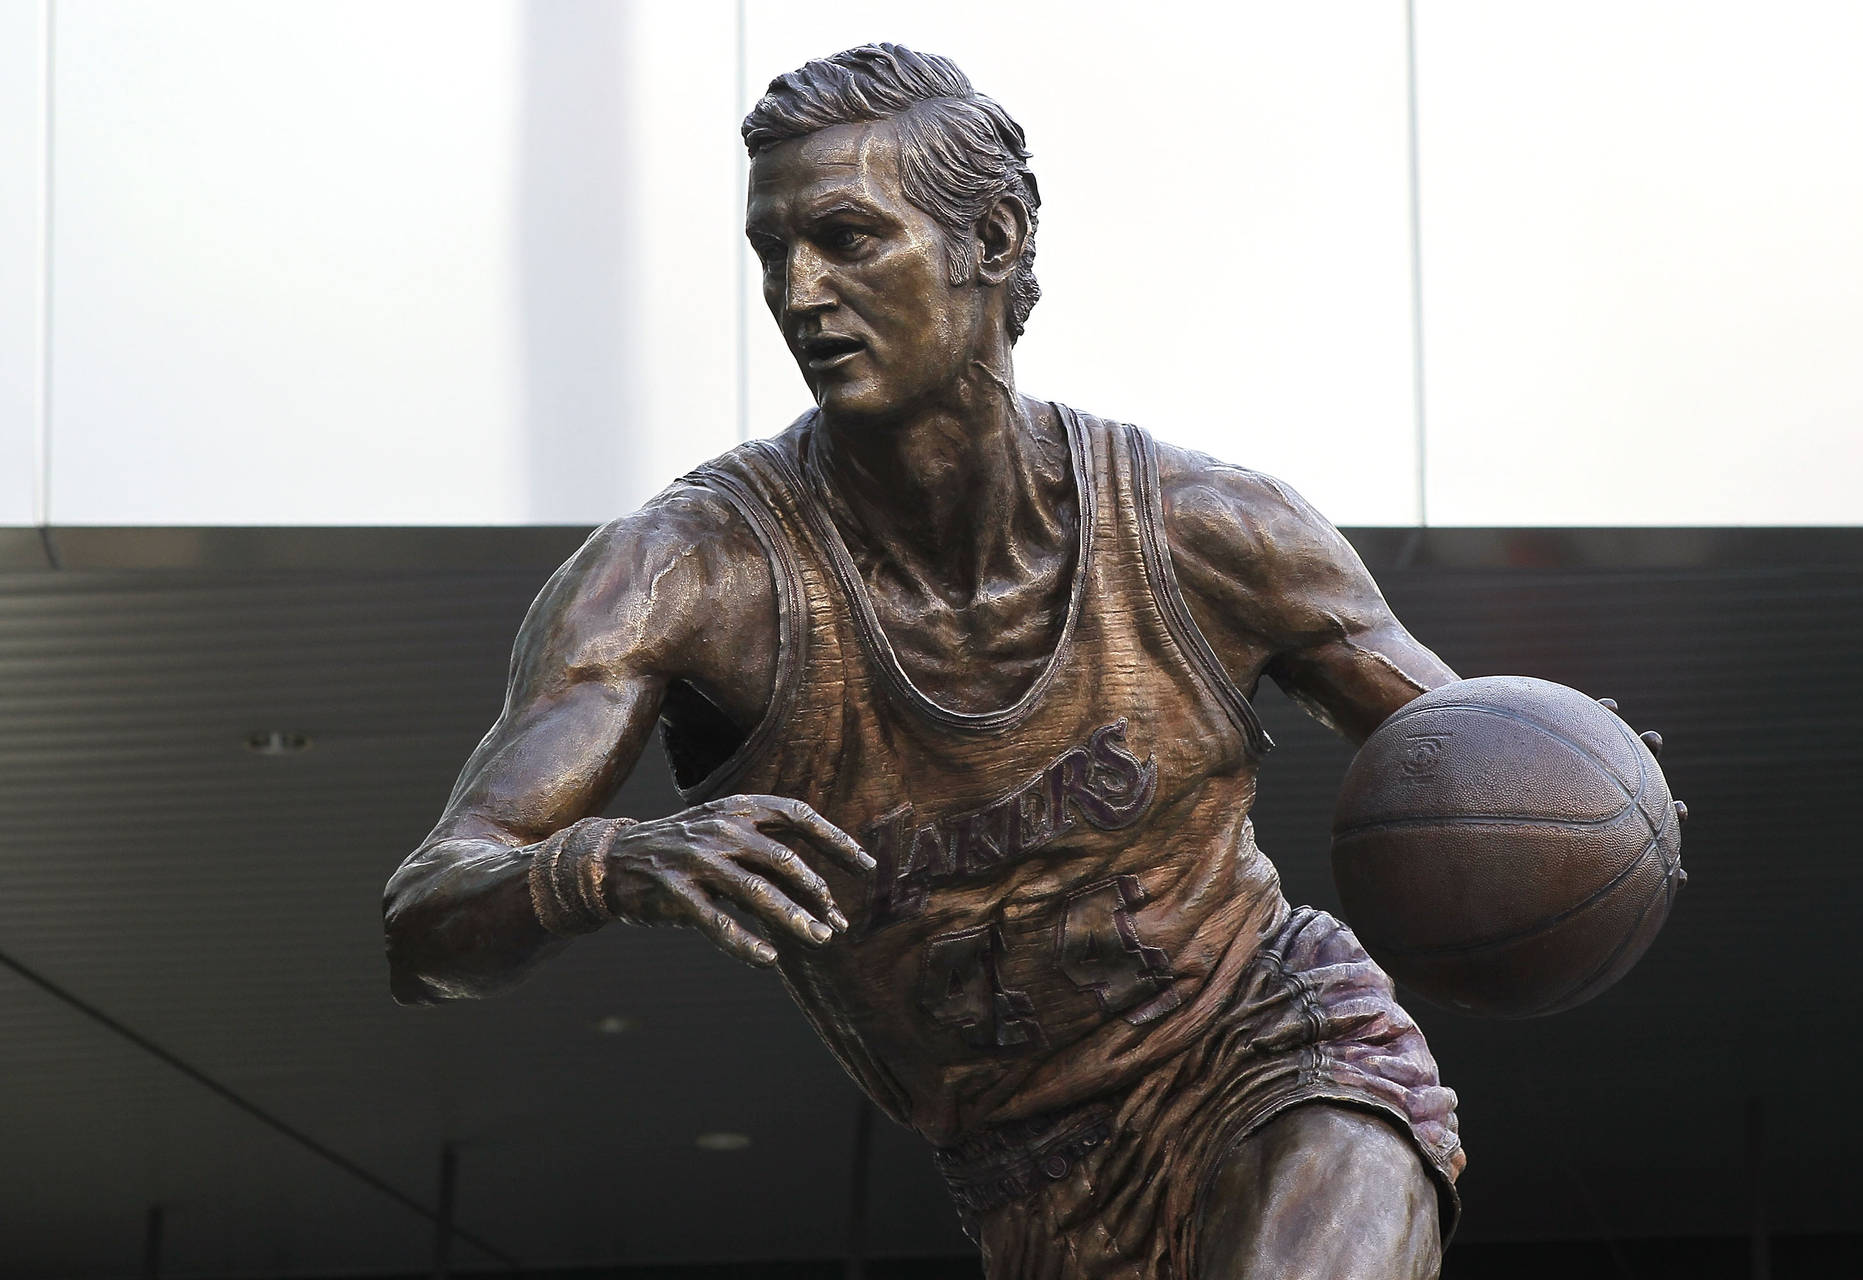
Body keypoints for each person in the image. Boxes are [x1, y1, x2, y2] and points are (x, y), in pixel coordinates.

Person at [385, 44, 1463, 1280]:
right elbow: (427, 916)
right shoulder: (684, 573)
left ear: (993, 240)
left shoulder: (1208, 528)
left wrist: (1589, 784)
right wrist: (613, 859)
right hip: (1026, 1179)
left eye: (849, 238)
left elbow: (1466, 751)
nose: (800, 292)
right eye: (772, 254)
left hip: (1277, 1052)